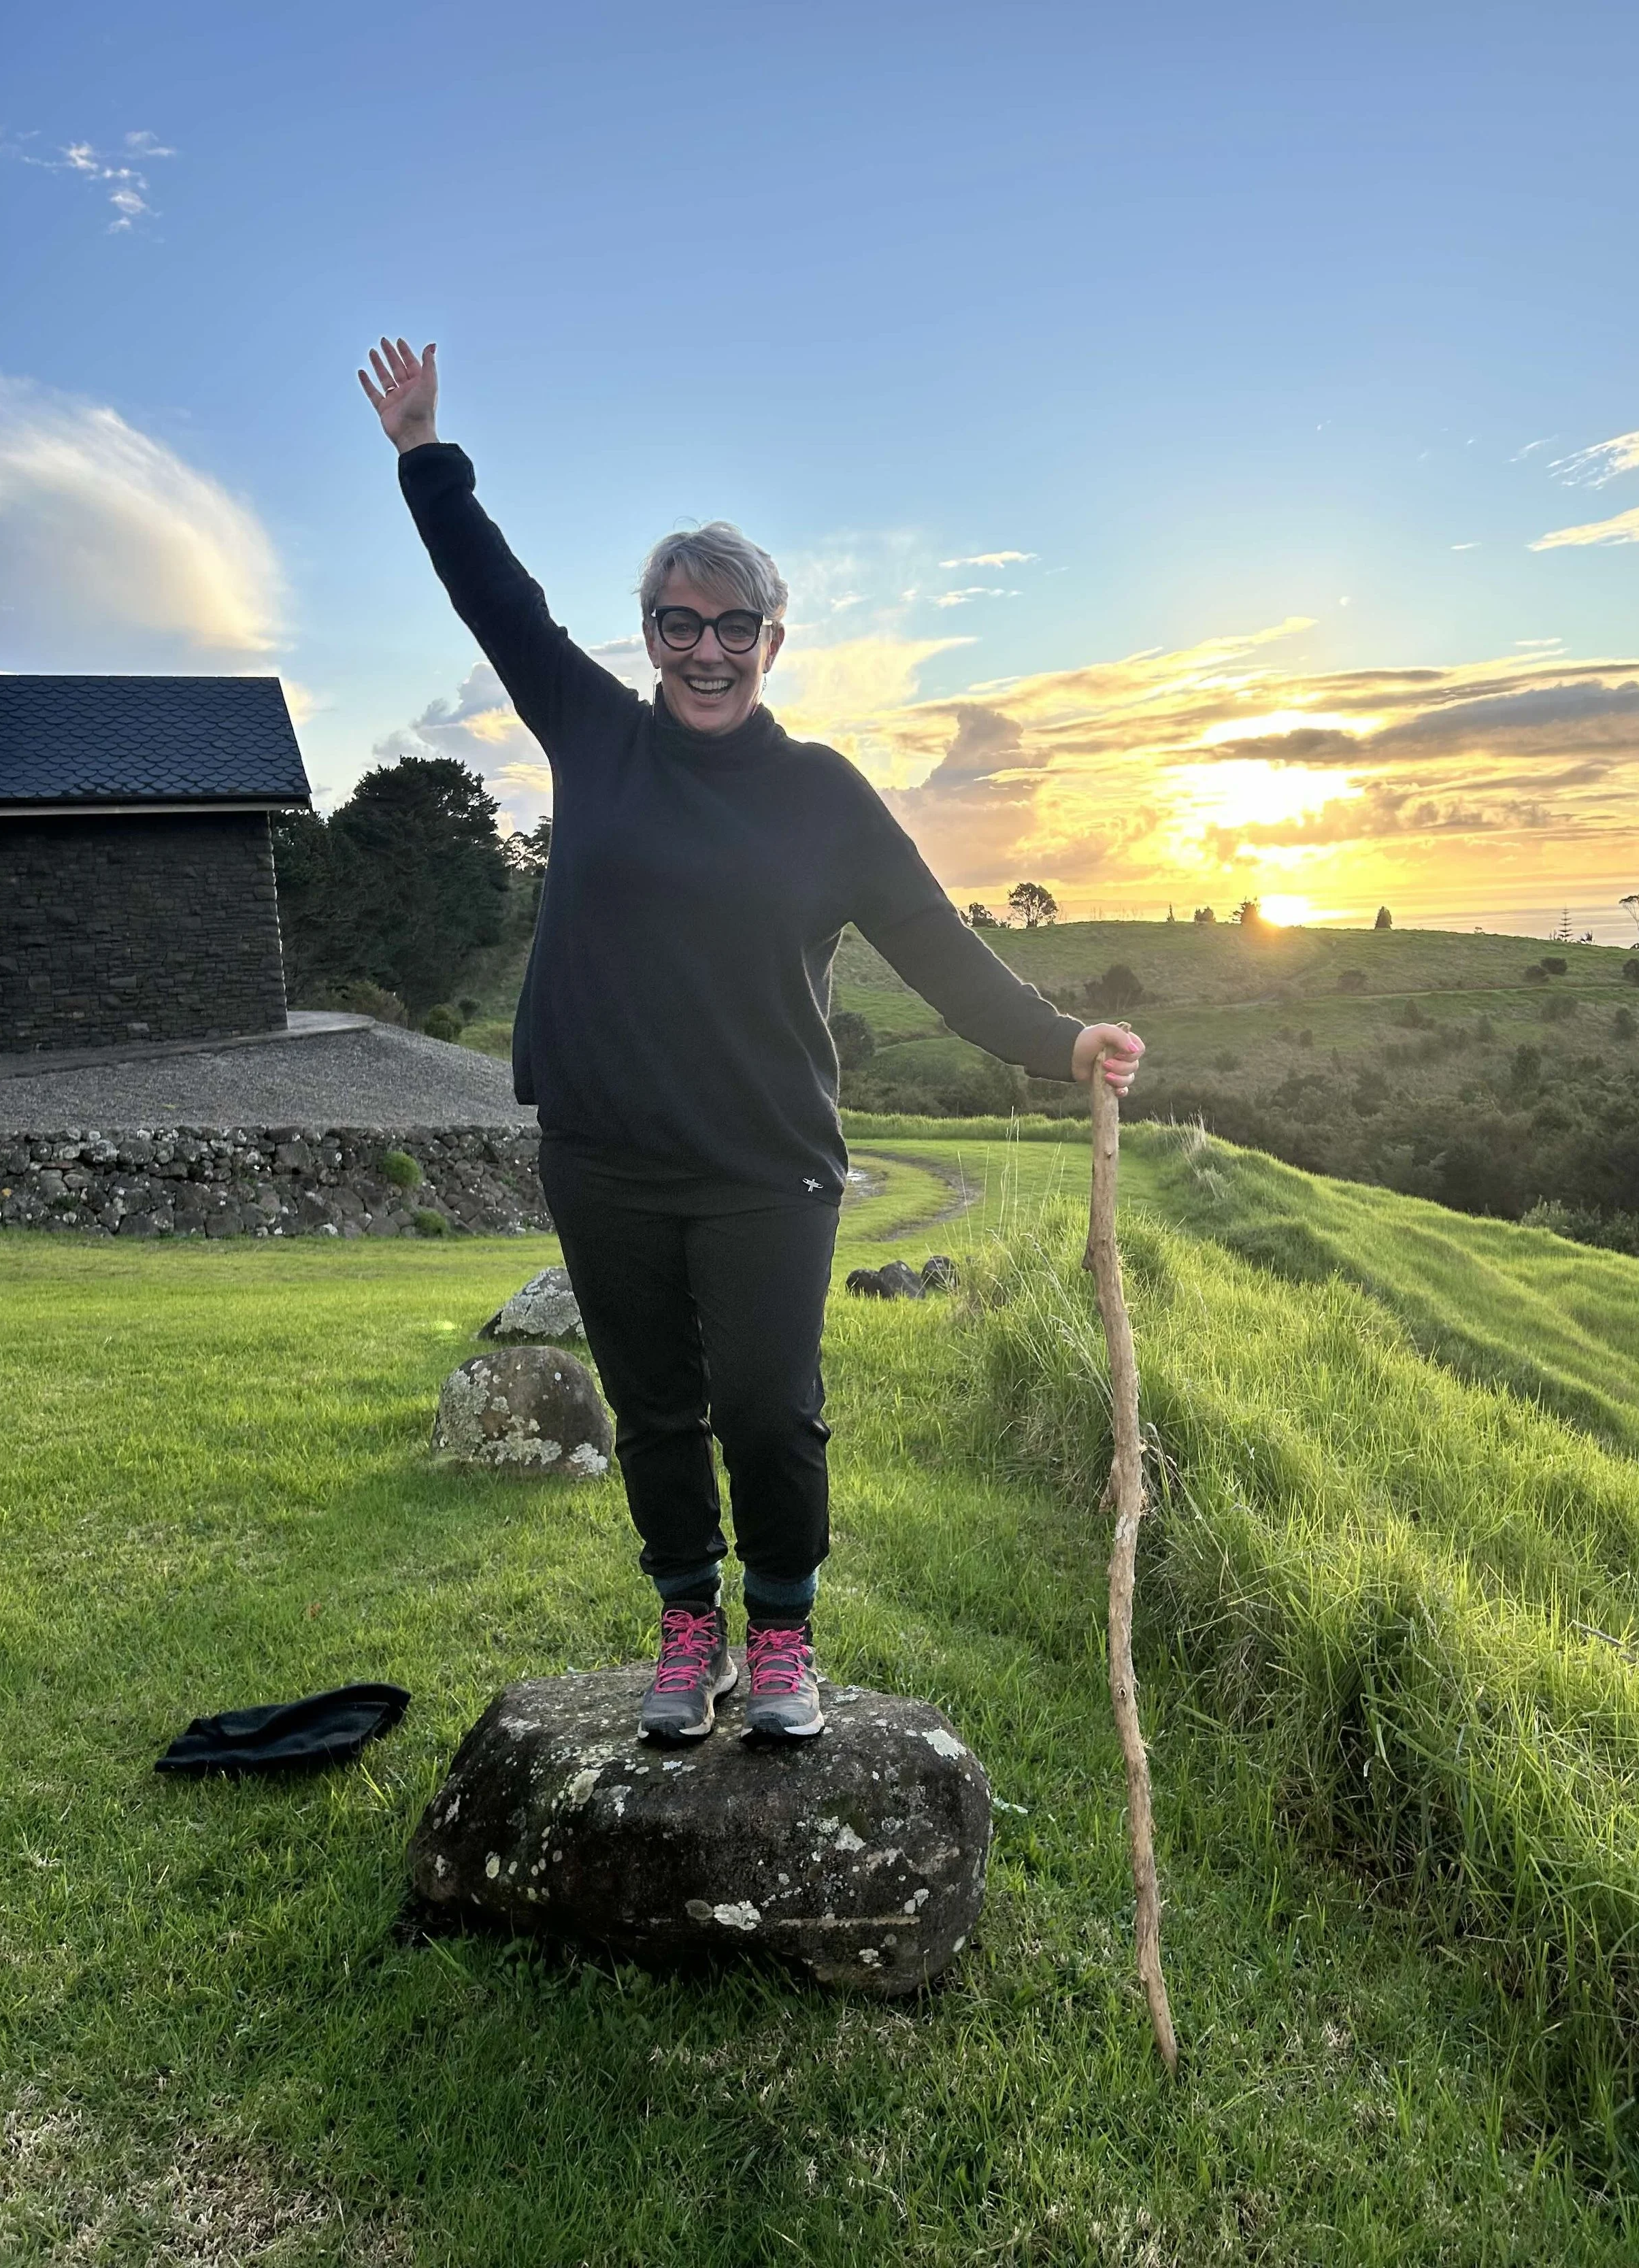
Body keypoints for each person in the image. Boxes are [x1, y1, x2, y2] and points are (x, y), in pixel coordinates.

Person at [359, 336, 1144, 1744]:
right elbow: (498, 602)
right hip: (602, 1152)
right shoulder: (597, 739)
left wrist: (1057, 1041)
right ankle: (685, 1621)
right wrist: (426, 455)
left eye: (734, 625)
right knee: (655, 1409)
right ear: (647, 634)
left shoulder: (822, 797)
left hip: (766, 1160)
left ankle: (778, 1631)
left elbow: (936, 949)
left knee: (769, 1410)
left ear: (772, 643)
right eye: (678, 622)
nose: (705, 648)